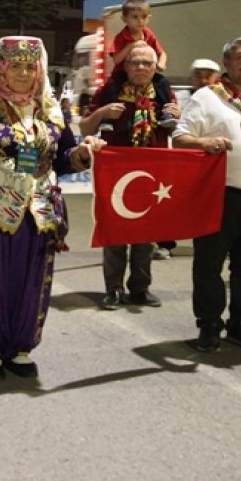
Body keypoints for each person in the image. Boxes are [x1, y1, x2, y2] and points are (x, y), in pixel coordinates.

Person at [0, 36, 103, 380]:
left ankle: (20, 346)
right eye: (13, 66)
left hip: (39, 210)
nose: (21, 73)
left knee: (32, 279)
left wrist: (81, 155)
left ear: (40, 69)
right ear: (1, 69)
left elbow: (63, 157)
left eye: (29, 67)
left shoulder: (49, 110)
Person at [173, 37, 241, 353]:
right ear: (227, 63)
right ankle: (209, 324)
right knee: (209, 264)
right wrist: (205, 143)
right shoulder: (207, 98)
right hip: (220, 195)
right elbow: (180, 137)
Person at [80, 42, 178, 309]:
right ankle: (113, 289)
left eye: (147, 62)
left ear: (155, 66)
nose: (141, 67)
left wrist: (177, 117)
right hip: (116, 173)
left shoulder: (164, 93)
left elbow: (175, 132)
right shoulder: (109, 90)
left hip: (152, 173)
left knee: (145, 234)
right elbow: (84, 127)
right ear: (125, 65)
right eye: (135, 62)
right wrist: (101, 113)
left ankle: (140, 289)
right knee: (115, 234)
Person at [154, 58, 222, 261]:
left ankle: (213, 245)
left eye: (208, 75)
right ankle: (165, 243)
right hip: (182, 160)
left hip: (211, 162)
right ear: (191, 78)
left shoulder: (224, 99)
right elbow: (173, 127)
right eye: (198, 75)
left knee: (210, 206)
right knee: (170, 203)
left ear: (216, 78)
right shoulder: (178, 97)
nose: (203, 80)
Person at [109, 0, 168, 76]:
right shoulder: (121, 37)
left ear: (148, 18)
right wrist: (131, 46)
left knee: (163, 82)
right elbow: (116, 60)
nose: (140, 21)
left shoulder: (148, 34)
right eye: (135, 17)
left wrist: (161, 63)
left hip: (143, 72)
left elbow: (162, 53)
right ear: (124, 19)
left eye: (144, 17)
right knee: (112, 86)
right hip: (123, 74)